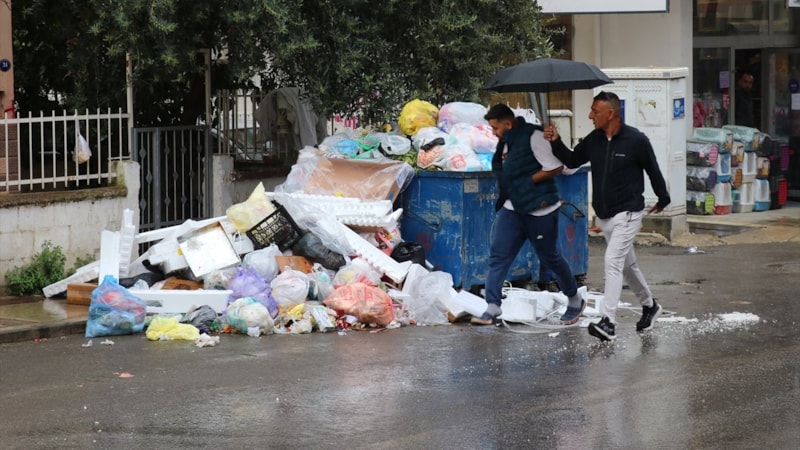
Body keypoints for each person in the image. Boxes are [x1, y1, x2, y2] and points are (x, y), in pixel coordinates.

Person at [544, 91, 670, 341]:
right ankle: (649, 306)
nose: (590, 116)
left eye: (595, 111)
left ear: (610, 114)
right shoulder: (594, 140)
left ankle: (608, 322)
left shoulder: (636, 140)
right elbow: (572, 160)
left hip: (629, 212)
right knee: (627, 265)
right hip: (604, 215)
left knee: (612, 261)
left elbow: (653, 169)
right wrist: (556, 141)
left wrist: (663, 198)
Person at [471, 104, 585, 326]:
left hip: (540, 210)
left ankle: (574, 299)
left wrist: (528, 181)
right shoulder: (505, 143)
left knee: (550, 256)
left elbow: (554, 167)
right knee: (498, 256)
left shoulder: (535, 137)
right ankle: (493, 306)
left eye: (495, 127)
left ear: (508, 124)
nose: (493, 132)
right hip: (513, 209)